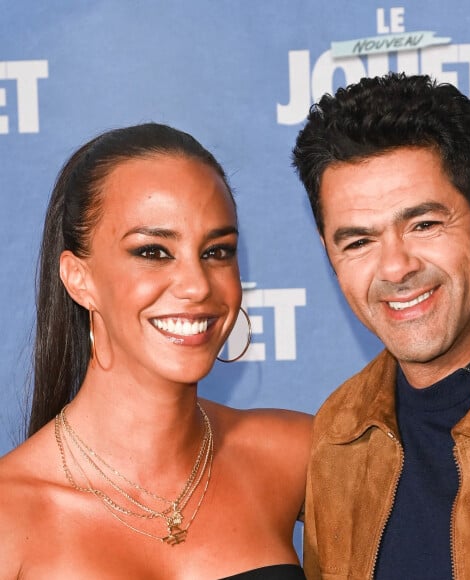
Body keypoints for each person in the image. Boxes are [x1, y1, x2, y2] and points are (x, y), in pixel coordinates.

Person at [292, 73, 470, 579]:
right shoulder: (338, 435)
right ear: (329, 254)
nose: (396, 268)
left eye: (424, 224)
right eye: (358, 241)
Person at [0, 123, 311, 579]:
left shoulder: (293, 455)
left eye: (217, 251)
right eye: (153, 252)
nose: (197, 285)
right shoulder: (10, 515)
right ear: (78, 279)